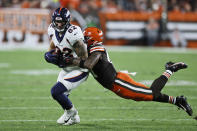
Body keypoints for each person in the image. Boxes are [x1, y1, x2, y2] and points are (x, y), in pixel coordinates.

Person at [63, 27, 193, 117]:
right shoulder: (91, 48)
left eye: (85, 38)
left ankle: (170, 70)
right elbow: (82, 58)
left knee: (152, 93)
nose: (83, 40)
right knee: (147, 95)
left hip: (118, 83)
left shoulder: (97, 48)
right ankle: (178, 100)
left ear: (91, 39)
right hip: (117, 82)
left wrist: (70, 60)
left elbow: (88, 64)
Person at [44, 7, 89, 126]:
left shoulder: (73, 33)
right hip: (67, 68)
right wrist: (50, 53)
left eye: (62, 22)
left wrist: (64, 61)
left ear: (68, 21)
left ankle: (72, 112)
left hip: (80, 69)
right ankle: (74, 117)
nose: (59, 25)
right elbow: (54, 41)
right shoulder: (51, 29)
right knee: (61, 96)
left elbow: (84, 59)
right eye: (57, 22)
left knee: (56, 91)